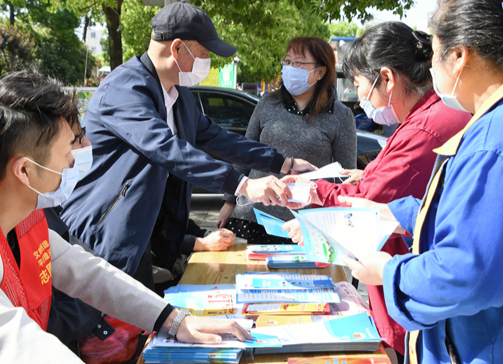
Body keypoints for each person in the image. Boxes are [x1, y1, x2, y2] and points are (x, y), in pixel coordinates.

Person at [0, 69, 251, 363]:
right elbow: (18, 341)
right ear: (25, 171)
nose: (80, 155)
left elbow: (83, 270)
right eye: (71, 147)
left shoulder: (28, 220)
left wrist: (173, 319)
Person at [61, 1, 315, 288]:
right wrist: (243, 185)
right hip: (103, 232)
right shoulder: (124, 89)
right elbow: (167, 149)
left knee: (141, 322)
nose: (209, 63)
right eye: (205, 54)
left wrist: (283, 163)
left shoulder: (179, 96)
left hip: (141, 234)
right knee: (102, 327)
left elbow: (217, 138)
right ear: (178, 48)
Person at [282, 22, 471, 359]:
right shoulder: (419, 120)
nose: (361, 98)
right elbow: (387, 188)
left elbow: (374, 199)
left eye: (359, 86)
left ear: (386, 78)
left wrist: (315, 200)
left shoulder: (429, 126)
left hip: (413, 298)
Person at [331, 0, 503, 362]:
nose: (430, 70)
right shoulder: (484, 125)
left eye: (436, 55)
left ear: (458, 56)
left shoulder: (490, 141)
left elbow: (464, 272)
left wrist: (388, 272)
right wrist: (393, 214)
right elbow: (466, 221)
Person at [217, 36, 357, 244]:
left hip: (305, 224)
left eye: (298, 63)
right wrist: (229, 201)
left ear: (320, 72)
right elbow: (244, 153)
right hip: (253, 215)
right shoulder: (267, 103)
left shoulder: (340, 115)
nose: (290, 67)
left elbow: (345, 175)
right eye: (288, 61)